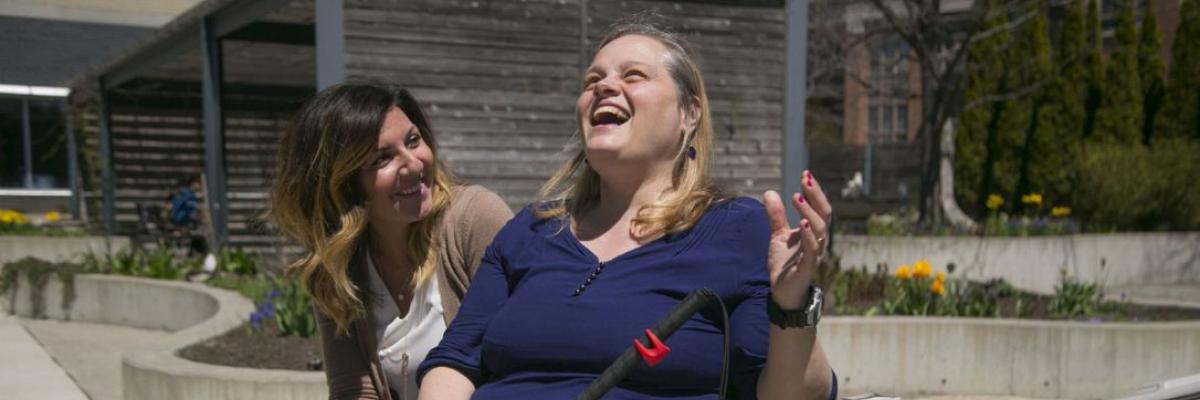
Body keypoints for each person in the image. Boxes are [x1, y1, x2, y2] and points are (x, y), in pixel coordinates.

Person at [417, 18, 835, 400]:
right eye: (592, 80)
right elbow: (455, 361)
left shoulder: (739, 231)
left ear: (689, 114)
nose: (603, 86)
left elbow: (796, 394)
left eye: (633, 75)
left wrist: (792, 304)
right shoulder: (530, 230)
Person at [267, 83, 512, 400]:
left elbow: (527, 360)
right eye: (382, 159)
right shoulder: (337, 268)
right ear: (343, 187)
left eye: (413, 140)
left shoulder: (474, 219)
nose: (413, 164)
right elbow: (352, 390)